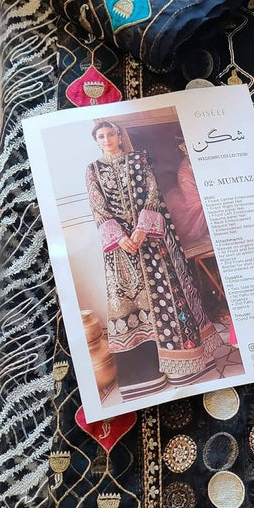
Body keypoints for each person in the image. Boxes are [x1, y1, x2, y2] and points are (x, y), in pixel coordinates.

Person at [85, 121, 219, 398]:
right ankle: (146, 375)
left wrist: (142, 230)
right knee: (130, 304)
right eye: (101, 135)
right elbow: (97, 207)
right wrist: (121, 238)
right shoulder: (93, 170)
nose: (107, 139)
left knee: (166, 296)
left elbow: (153, 193)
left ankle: (184, 369)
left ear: (119, 136)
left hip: (151, 242)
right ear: (96, 140)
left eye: (111, 134)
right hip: (120, 251)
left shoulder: (139, 160)